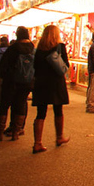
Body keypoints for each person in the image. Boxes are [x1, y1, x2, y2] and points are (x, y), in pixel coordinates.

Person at [32, 25, 71, 154]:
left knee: (41, 112)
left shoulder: (39, 50)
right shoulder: (60, 47)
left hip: (41, 83)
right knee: (58, 110)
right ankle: (59, 137)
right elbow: (66, 65)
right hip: (56, 83)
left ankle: (37, 143)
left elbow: (35, 66)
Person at [0, 27, 35, 141]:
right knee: (20, 105)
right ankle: (15, 133)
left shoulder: (12, 49)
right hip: (26, 83)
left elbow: (2, 67)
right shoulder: (33, 49)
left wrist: (5, 76)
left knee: (4, 105)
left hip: (11, 82)